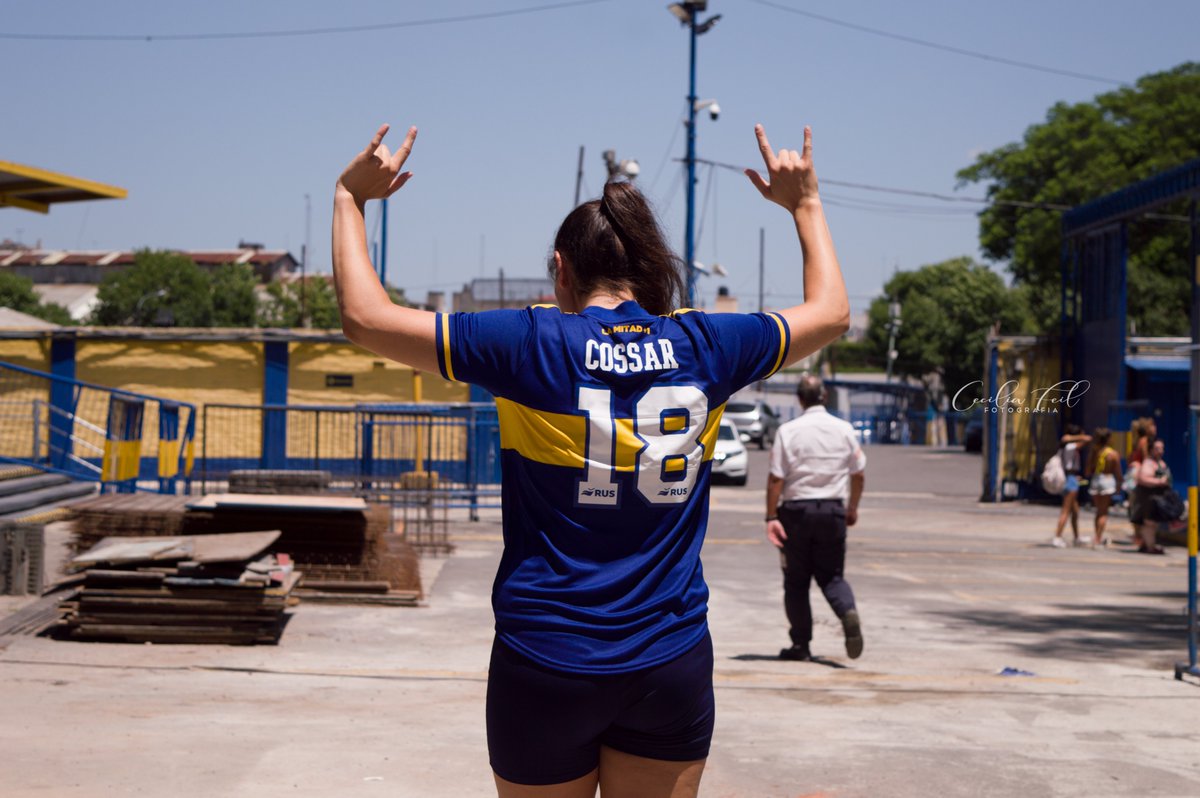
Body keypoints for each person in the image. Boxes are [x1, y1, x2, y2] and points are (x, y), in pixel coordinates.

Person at [332, 122, 849, 797]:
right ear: (651, 269)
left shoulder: (530, 342)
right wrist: (805, 204)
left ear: (561, 270)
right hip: (668, 659)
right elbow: (832, 313)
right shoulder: (709, 344)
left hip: (545, 655)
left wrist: (349, 199)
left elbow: (365, 317)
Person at [765, 374, 866, 661]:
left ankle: (801, 645)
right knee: (832, 577)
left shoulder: (788, 431)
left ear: (799, 399)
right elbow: (858, 474)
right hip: (832, 511)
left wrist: (771, 516)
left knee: (796, 583)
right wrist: (852, 507)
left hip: (796, 513)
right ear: (824, 397)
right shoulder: (844, 429)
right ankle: (847, 612)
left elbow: (776, 478)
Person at [1052, 424, 1090, 548]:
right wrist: (1079, 436)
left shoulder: (1066, 447)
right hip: (1070, 480)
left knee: (1075, 511)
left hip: (1071, 477)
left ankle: (1076, 537)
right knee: (1066, 510)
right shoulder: (1070, 446)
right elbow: (1087, 439)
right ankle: (1057, 537)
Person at [1132, 439, 1171, 555]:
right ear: (1151, 450)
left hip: (1157, 497)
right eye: (1157, 448)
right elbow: (1142, 478)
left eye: (1162, 448)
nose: (1160, 451)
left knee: (1152, 522)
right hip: (1149, 497)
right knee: (1150, 523)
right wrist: (1160, 482)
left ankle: (1146, 544)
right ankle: (1150, 546)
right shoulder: (1148, 463)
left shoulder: (1160, 463)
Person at [1086, 427, 1121, 548]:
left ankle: (1096, 535)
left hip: (1096, 479)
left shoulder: (1094, 452)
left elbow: (1088, 470)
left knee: (1098, 511)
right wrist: (1119, 484)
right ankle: (1098, 538)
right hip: (1107, 479)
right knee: (1104, 512)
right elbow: (1117, 472)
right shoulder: (1113, 454)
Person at [1126, 417, 1157, 546]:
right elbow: (1146, 460)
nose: (1155, 428)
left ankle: (1138, 535)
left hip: (1133, 474)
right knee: (1141, 504)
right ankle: (1140, 537)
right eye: (1153, 425)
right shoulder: (1145, 441)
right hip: (1139, 476)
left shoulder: (1137, 441)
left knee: (1135, 504)